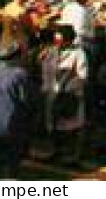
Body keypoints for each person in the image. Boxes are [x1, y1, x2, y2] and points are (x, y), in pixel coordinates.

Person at [0, 41, 35, 178]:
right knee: (12, 160)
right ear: (16, 57)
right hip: (11, 128)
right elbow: (26, 101)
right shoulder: (20, 75)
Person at [40, 24, 88, 166]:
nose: (58, 44)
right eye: (56, 41)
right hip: (52, 94)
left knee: (73, 125)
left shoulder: (79, 53)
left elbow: (83, 76)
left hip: (70, 95)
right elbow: (46, 71)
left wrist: (67, 88)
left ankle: (75, 155)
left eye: (60, 41)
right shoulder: (51, 52)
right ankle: (56, 151)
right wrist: (46, 87)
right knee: (53, 125)